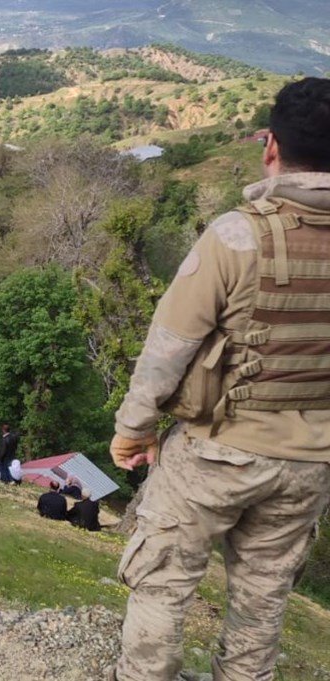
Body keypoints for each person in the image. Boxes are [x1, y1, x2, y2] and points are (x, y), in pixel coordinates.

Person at [109, 78, 330, 681]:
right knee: (263, 601)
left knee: (162, 584)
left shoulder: (235, 235)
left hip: (218, 451)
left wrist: (132, 432)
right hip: (310, 464)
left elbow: (167, 351)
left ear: (272, 146)